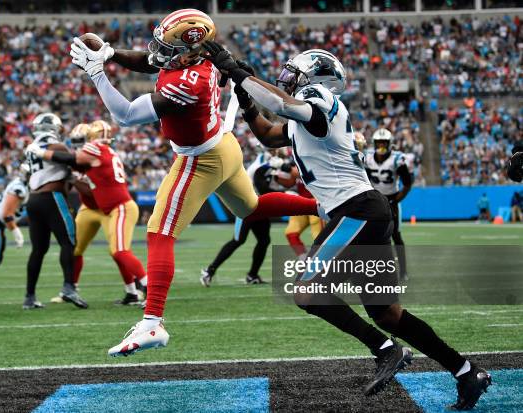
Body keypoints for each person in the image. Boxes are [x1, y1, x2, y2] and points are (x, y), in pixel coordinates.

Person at [202, 42, 491, 409]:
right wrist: (243, 93)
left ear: (316, 77)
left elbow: (281, 104)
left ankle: (385, 350)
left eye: (296, 71)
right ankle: (466, 371)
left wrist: (240, 72)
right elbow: (267, 132)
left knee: (305, 290)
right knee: (389, 314)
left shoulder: (315, 95)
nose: (289, 76)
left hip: (356, 210)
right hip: (365, 212)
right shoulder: (304, 117)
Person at [68, 9, 319, 357]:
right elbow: (151, 61)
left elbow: (125, 115)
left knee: (159, 232)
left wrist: (97, 72)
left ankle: (152, 322)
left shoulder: (190, 82)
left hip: (199, 159)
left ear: (192, 49)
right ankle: (327, 207)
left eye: (170, 47)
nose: (160, 51)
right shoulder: (201, 59)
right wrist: (111, 53)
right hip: (223, 146)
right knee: (253, 208)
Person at [27, 120, 148, 306]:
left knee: (118, 251)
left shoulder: (95, 150)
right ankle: (70, 288)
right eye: (74, 142)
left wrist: (45, 154)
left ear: (91, 139)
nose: (76, 147)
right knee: (75, 248)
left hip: (112, 208)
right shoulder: (97, 152)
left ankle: (137, 289)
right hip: (91, 208)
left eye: (80, 141)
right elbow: (72, 167)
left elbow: (83, 177)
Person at [201, 151, 296, 286]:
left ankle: (252, 275)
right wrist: (283, 191)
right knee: (238, 240)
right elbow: (261, 184)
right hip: (246, 206)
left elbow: (278, 175)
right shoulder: (262, 163)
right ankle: (209, 270)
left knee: (264, 241)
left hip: (260, 206)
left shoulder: (270, 164)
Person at [23, 113, 87, 310]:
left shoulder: (31, 149)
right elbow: (78, 161)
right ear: (54, 129)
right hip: (52, 198)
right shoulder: (55, 147)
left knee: (38, 250)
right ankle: (69, 286)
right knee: (68, 242)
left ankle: (30, 296)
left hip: (33, 199)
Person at [365, 128, 413, 280]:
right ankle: (371, 269)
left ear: (389, 144)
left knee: (396, 236)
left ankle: (403, 271)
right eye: (378, 143)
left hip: (391, 199)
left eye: (384, 143)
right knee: (369, 236)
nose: (381, 146)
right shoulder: (367, 157)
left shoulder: (397, 158)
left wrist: (396, 200)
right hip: (374, 200)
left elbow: (407, 183)